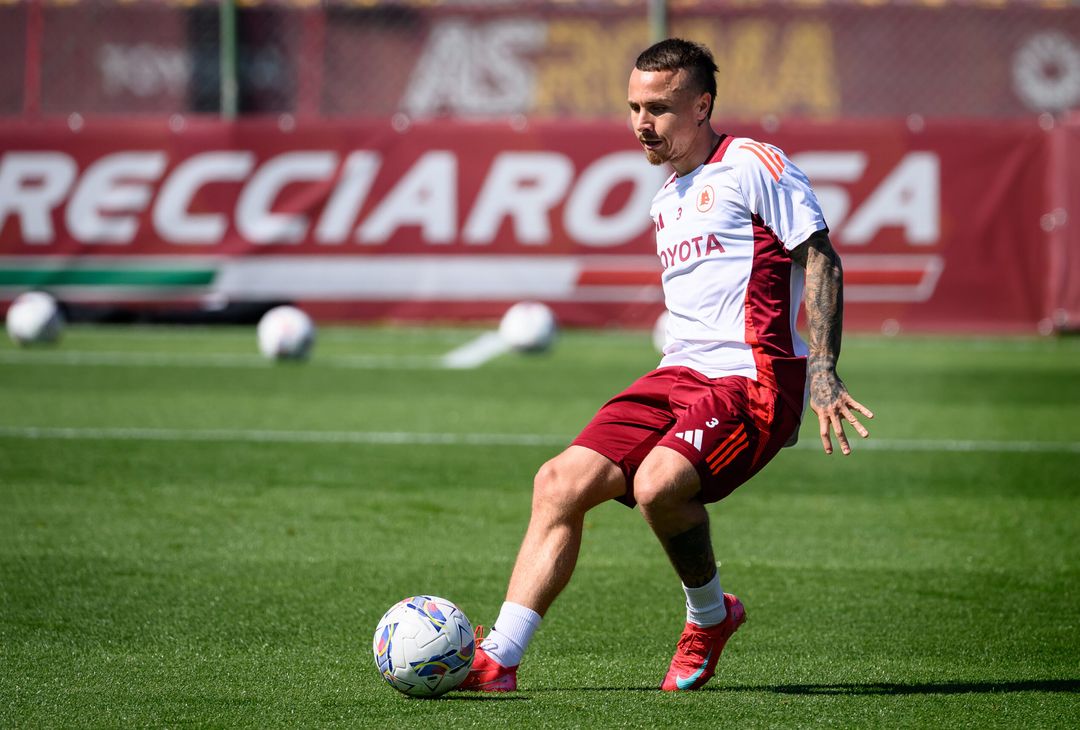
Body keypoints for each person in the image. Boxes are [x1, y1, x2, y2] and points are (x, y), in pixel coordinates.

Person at [460, 38, 873, 693]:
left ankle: (706, 619)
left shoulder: (754, 164)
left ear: (702, 104)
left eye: (658, 107)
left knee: (657, 486)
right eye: (632, 107)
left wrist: (821, 371)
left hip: (752, 379)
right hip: (677, 376)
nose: (642, 123)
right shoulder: (667, 198)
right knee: (558, 482)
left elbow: (818, 258)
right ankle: (497, 660)